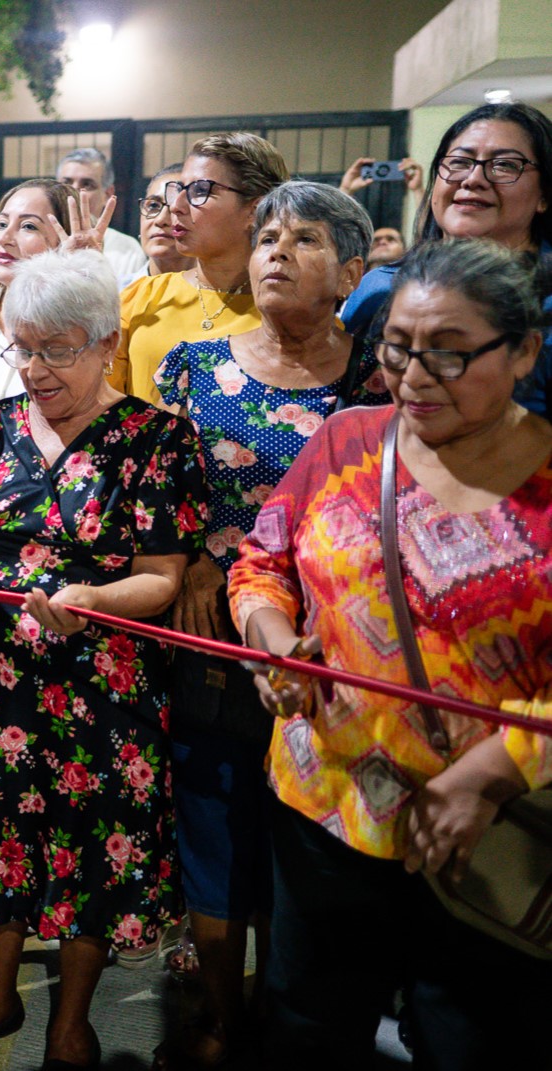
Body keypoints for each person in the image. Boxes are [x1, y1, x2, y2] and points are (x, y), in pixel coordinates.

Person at [228, 238, 552, 1070]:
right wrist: (272, 644)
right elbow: (262, 562)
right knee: (306, 1026)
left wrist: (491, 773)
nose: (412, 377)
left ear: (523, 350)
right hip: (323, 802)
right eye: (398, 348)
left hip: (479, 826)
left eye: (447, 353)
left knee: (468, 1040)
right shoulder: (346, 442)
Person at [0, 249, 206, 1070]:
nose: (34, 367)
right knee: (4, 839)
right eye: (22, 346)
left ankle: (72, 1020)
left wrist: (91, 603)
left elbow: (162, 581)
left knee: (94, 851)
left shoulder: (158, 440)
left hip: (103, 690)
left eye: (58, 349)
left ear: (107, 345)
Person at [151, 182, 386, 1071]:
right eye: (268, 236)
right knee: (213, 826)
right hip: (213, 633)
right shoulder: (194, 364)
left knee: (307, 841)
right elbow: (165, 492)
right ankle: (217, 1011)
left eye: (308, 238)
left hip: (332, 648)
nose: (278, 250)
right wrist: (201, 559)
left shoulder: (377, 376)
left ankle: (287, 1012)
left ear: (353, 272)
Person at [341, 102, 552, 417]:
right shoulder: (379, 289)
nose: (473, 179)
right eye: (459, 162)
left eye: (505, 165)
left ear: (545, 194)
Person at [117, 133, 291, 405]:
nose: (176, 206)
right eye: (180, 189)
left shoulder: (288, 311)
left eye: (200, 190)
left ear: (254, 209)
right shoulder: (141, 297)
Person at [0, 179, 110, 403]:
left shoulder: (79, 337)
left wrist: (81, 278)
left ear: (65, 243)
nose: (5, 239)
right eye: (2, 224)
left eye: (28, 227)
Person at [57, 147, 150, 287]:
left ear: (107, 193)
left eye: (87, 185)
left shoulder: (127, 250)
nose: (73, 190)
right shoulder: (37, 239)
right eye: (66, 183)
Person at [139, 165, 195, 277]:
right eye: (153, 205)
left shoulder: (219, 293)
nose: (161, 220)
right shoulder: (119, 292)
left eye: (177, 208)